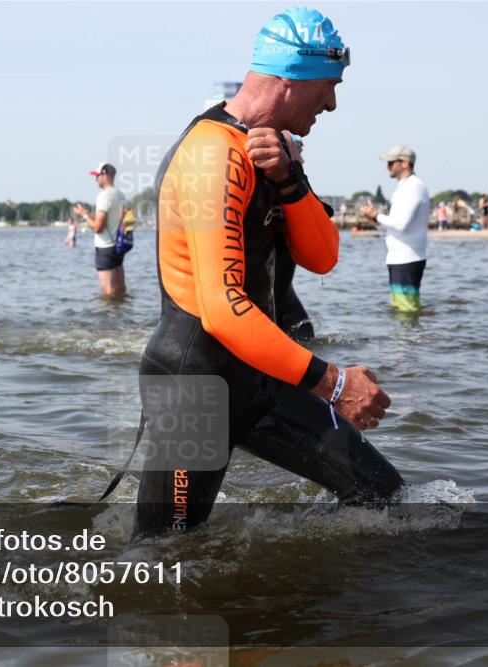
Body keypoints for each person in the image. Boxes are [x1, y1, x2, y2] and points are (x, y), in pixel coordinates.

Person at [132, 6, 401, 539]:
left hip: (259, 379)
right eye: (328, 85)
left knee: (383, 496)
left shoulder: (270, 150)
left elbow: (323, 257)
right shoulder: (215, 154)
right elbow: (225, 310)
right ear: (289, 80)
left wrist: (289, 177)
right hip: (198, 388)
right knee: (164, 551)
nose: (332, 102)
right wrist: (334, 382)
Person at [360, 145, 430, 312]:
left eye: (391, 163)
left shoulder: (414, 186)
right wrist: (373, 220)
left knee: (407, 311)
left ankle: (411, 338)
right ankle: (404, 339)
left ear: (405, 163)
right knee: (401, 310)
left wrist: (376, 215)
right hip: (398, 258)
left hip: (408, 258)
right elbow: (394, 225)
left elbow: (401, 224)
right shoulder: (404, 186)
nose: (387, 167)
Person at [74, 163, 126, 297]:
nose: (95, 179)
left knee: (108, 292)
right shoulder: (120, 195)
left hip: (105, 248)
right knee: (120, 289)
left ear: (105, 175)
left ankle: (108, 317)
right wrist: (86, 213)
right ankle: (122, 314)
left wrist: (85, 216)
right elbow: (109, 221)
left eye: (97, 176)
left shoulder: (104, 196)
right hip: (118, 247)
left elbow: (98, 227)